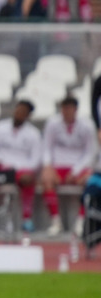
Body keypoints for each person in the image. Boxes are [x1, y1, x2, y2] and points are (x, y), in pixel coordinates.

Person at [0, 100, 43, 232]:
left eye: (23, 112)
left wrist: (25, 170)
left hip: (21, 169)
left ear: (28, 116)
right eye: (18, 110)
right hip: (1, 167)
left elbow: (36, 159)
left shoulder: (34, 133)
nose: (19, 114)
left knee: (28, 180)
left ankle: (27, 219)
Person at [41, 97, 96, 236]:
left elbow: (90, 152)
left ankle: (81, 221)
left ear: (76, 109)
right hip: (58, 165)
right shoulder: (52, 123)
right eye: (64, 109)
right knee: (46, 179)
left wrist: (75, 171)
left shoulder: (87, 125)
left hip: (79, 165)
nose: (66, 112)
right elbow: (47, 147)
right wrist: (48, 166)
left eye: (69, 109)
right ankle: (55, 221)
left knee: (90, 181)